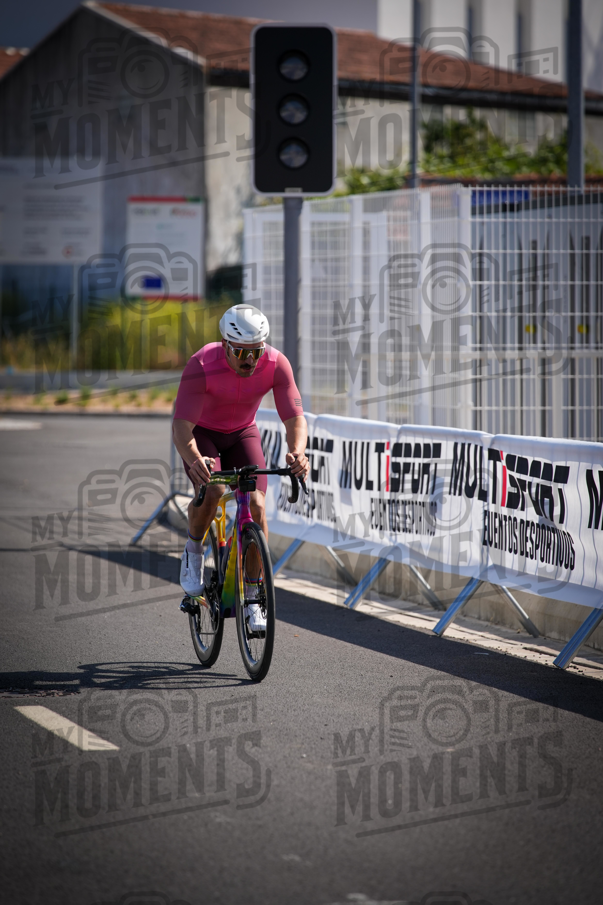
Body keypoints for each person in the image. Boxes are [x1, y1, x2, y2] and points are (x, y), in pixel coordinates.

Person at [172, 304, 310, 630]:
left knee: (258, 506)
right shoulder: (202, 364)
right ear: (224, 345)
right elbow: (181, 428)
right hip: (202, 435)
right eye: (241, 352)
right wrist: (195, 460)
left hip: (242, 433)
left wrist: (297, 452)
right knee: (215, 489)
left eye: (256, 352)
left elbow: (295, 418)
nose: (250, 360)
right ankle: (193, 550)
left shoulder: (276, 364)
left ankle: (251, 596)